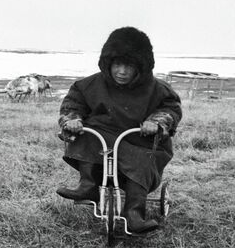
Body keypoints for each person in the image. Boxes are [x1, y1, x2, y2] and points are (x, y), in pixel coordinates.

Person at [56, 27, 182, 234]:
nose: (122, 72)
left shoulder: (159, 89)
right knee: (87, 134)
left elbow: (170, 109)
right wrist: (73, 120)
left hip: (139, 141)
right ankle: (88, 185)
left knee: (142, 160)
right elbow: (72, 105)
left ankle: (134, 213)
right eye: (117, 64)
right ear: (108, 63)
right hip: (103, 140)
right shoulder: (87, 85)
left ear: (141, 67)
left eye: (129, 66)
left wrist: (156, 123)